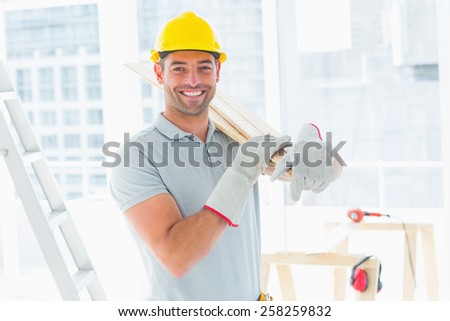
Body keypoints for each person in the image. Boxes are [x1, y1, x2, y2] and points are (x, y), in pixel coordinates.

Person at [110, 11, 341, 301]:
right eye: (179, 68)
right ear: (159, 73)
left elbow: (313, 170)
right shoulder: (136, 157)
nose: (193, 80)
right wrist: (243, 171)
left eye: (204, 68)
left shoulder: (239, 140)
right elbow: (177, 257)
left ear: (218, 71)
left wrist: (321, 156)